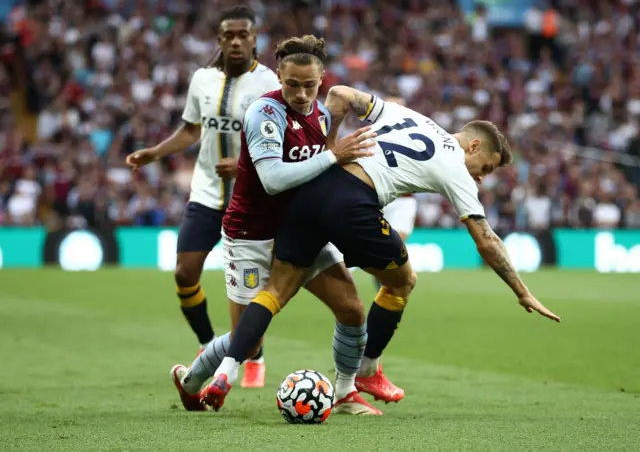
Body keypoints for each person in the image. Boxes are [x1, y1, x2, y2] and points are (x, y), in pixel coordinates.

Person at [202, 86, 562, 409]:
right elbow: (486, 240)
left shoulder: (408, 115)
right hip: (353, 203)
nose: (482, 177)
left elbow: (340, 95)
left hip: (312, 188)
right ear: (474, 145)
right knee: (402, 282)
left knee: (276, 290)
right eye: (485, 167)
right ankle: (367, 370)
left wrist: (329, 147)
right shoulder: (455, 163)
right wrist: (521, 290)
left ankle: (226, 373)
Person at [170, 36, 382, 415]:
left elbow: (322, 176)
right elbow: (273, 179)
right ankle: (191, 381)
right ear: (279, 75)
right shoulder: (264, 113)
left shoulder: (319, 116)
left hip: (299, 232)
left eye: (310, 85)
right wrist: (334, 156)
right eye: (292, 84)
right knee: (246, 343)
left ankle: (346, 392)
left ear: (321, 81)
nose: (301, 94)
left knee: (352, 309)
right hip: (250, 234)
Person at [125, 5, 281, 388]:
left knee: (248, 290)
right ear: (219, 40)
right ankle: (208, 344)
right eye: (229, 35)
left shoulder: (270, 84)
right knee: (184, 273)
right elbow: (191, 129)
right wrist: (154, 153)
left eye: (243, 34)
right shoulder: (202, 80)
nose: (236, 41)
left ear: (254, 38)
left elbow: (280, 138)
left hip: (250, 200)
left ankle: (253, 355)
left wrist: (243, 164)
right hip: (207, 195)